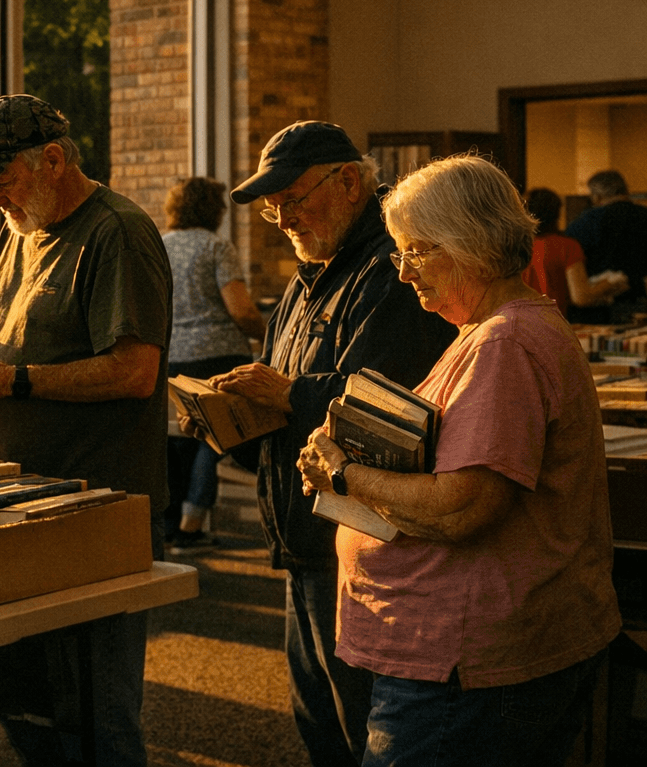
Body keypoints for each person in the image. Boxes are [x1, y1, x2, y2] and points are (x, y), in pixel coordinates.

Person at [298, 155, 620, 767]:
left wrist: (343, 472)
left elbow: (463, 508)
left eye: (416, 252)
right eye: (399, 253)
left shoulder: (504, 342)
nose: (403, 273)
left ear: (469, 244)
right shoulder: (498, 329)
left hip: (468, 667)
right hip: (468, 660)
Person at [0, 94, 172, 767]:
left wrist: (12, 381)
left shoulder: (116, 232)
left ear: (55, 161)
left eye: (0, 182)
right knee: (17, 697)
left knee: (93, 712)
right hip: (12, 502)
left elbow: (133, 371)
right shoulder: (20, 234)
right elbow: (17, 337)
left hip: (91, 508)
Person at [213, 121, 456, 767]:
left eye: (292, 198)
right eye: (274, 207)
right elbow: (284, 408)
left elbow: (388, 406)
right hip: (302, 542)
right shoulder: (303, 282)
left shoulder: (391, 270)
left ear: (349, 181)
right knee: (318, 723)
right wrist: (224, 422)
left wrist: (286, 395)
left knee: (365, 735)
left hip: (360, 549)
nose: (282, 217)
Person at [161, 177, 265, 551]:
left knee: (179, 439)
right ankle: (192, 526)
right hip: (220, 355)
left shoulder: (159, 245)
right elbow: (242, 310)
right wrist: (268, 334)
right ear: (213, 210)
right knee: (215, 438)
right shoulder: (216, 246)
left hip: (172, 356)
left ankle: (170, 525)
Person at [521, 187, 625, 319]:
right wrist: (610, 283)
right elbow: (581, 297)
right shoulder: (566, 246)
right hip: (553, 324)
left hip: (520, 323)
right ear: (557, 213)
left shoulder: (514, 247)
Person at [564, 168, 647, 323]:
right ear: (625, 190)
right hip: (639, 304)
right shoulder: (644, 216)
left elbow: (570, 258)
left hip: (596, 309)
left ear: (597, 196)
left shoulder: (585, 223)